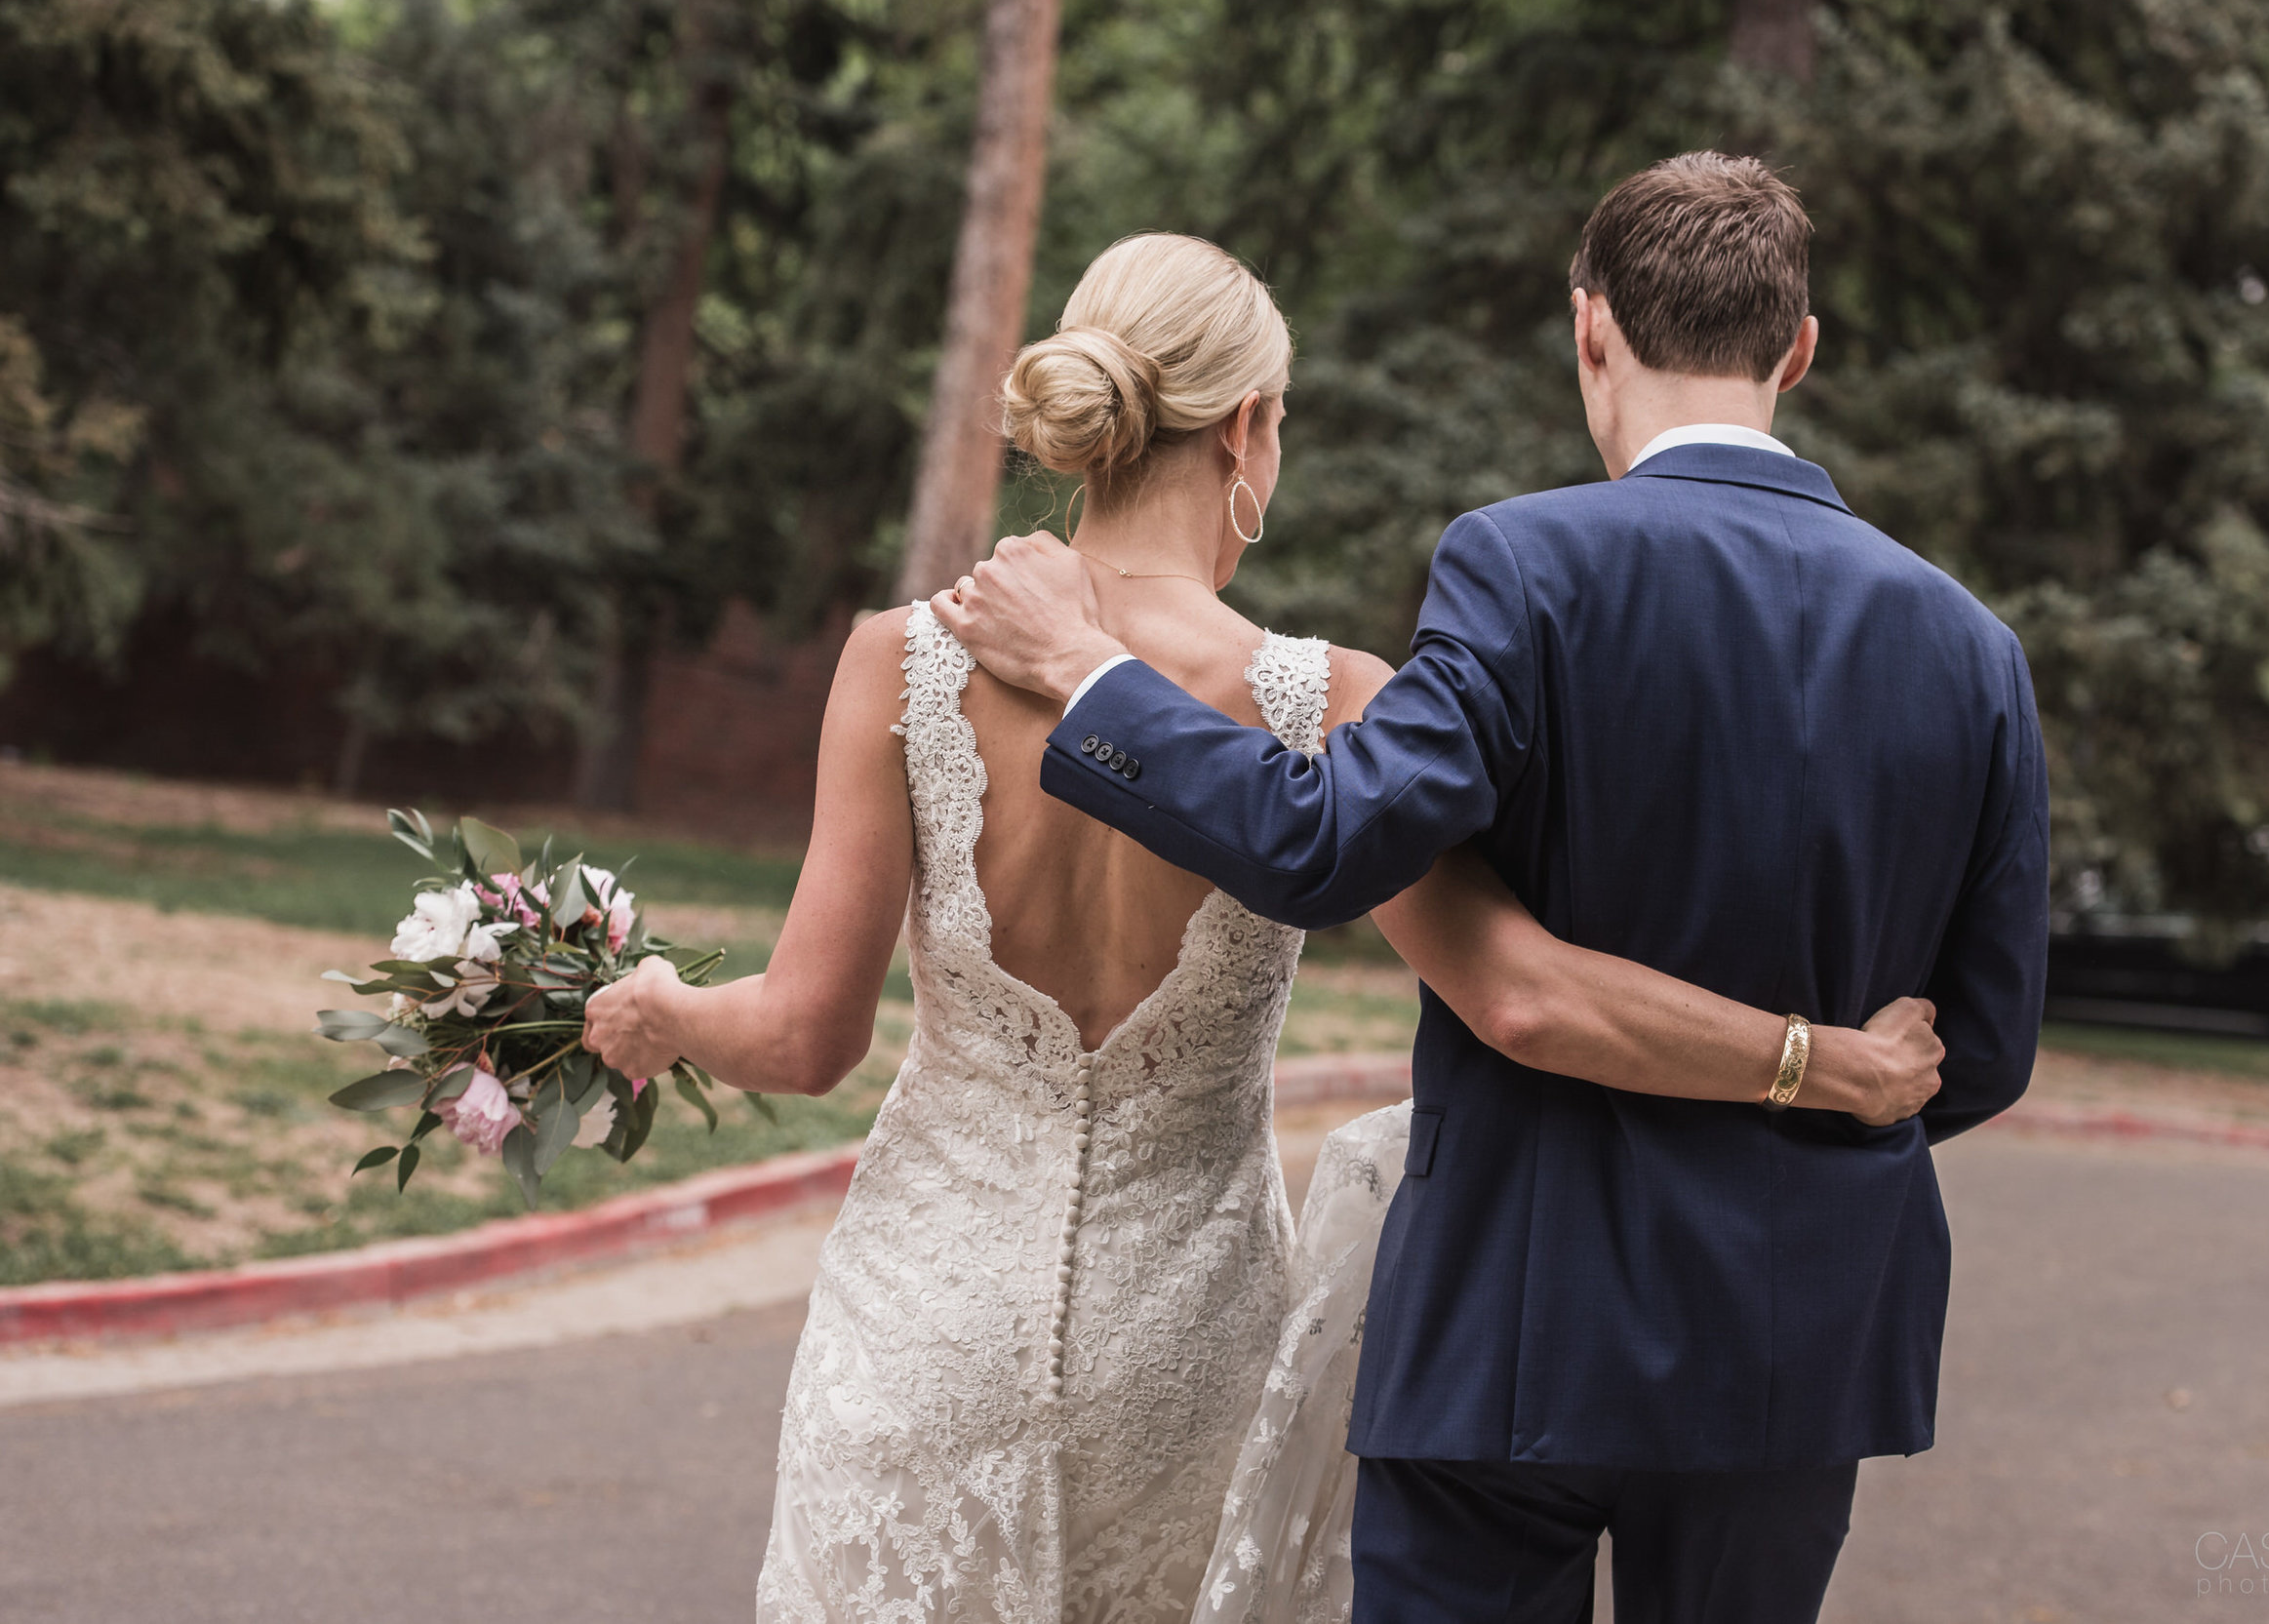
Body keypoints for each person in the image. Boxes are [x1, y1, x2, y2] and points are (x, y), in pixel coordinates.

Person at [584, 230, 1947, 1624]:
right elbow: (1522, 990)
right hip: (1185, 1357)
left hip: (924, 1331)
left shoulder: (906, 658)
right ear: (1247, 428)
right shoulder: (1328, 698)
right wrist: (1817, 1059)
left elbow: (806, 1035)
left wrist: (645, 1008)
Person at [935, 157, 2050, 1624]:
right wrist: (1815, 1091)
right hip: (1797, 1340)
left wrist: (1092, 680)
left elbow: (1326, 841)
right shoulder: (1973, 651)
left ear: (1590, 331)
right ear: (1797, 349)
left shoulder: (1524, 564)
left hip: (1517, 1323)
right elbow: (1982, 1047)